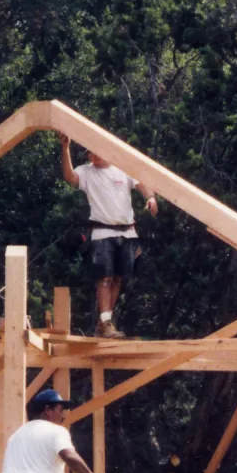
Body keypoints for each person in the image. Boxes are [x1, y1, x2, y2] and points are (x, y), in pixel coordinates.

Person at [59, 133, 158, 339]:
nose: (93, 155)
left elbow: (141, 183)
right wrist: (66, 146)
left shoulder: (123, 168)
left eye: (97, 151)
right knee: (104, 277)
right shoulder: (86, 172)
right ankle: (105, 322)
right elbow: (69, 176)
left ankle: (105, 323)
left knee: (117, 278)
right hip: (102, 231)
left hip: (127, 232)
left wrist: (150, 198)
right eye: (90, 152)